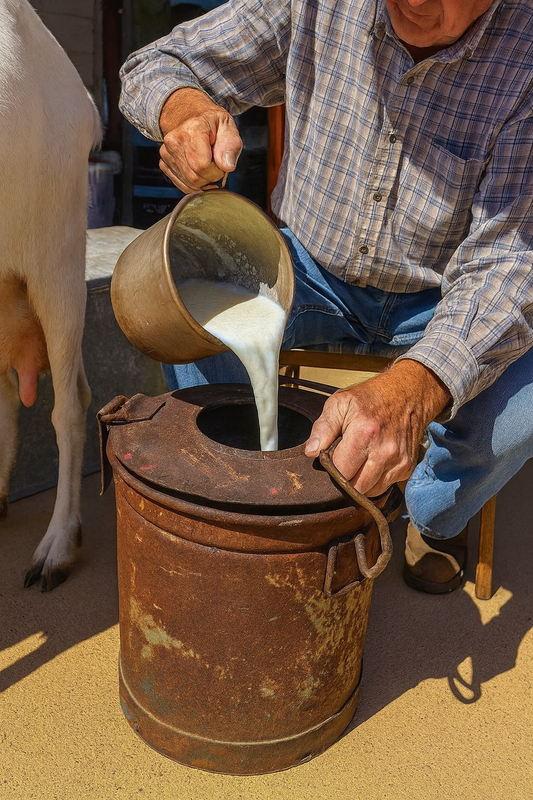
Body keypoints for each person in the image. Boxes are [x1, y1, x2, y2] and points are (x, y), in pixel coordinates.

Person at [119, 0, 533, 593]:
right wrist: (184, 109)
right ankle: (233, 486)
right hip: (307, 271)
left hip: (446, 295)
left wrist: (419, 384)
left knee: (524, 404)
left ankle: (428, 510)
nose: (414, 3)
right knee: (187, 305)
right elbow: (157, 62)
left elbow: (510, 262)